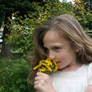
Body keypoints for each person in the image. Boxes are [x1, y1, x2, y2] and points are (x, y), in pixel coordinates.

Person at [27, 14, 92, 92]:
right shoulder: (48, 75)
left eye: (56, 48)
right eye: (46, 49)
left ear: (76, 46)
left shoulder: (89, 71)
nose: (50, 56)